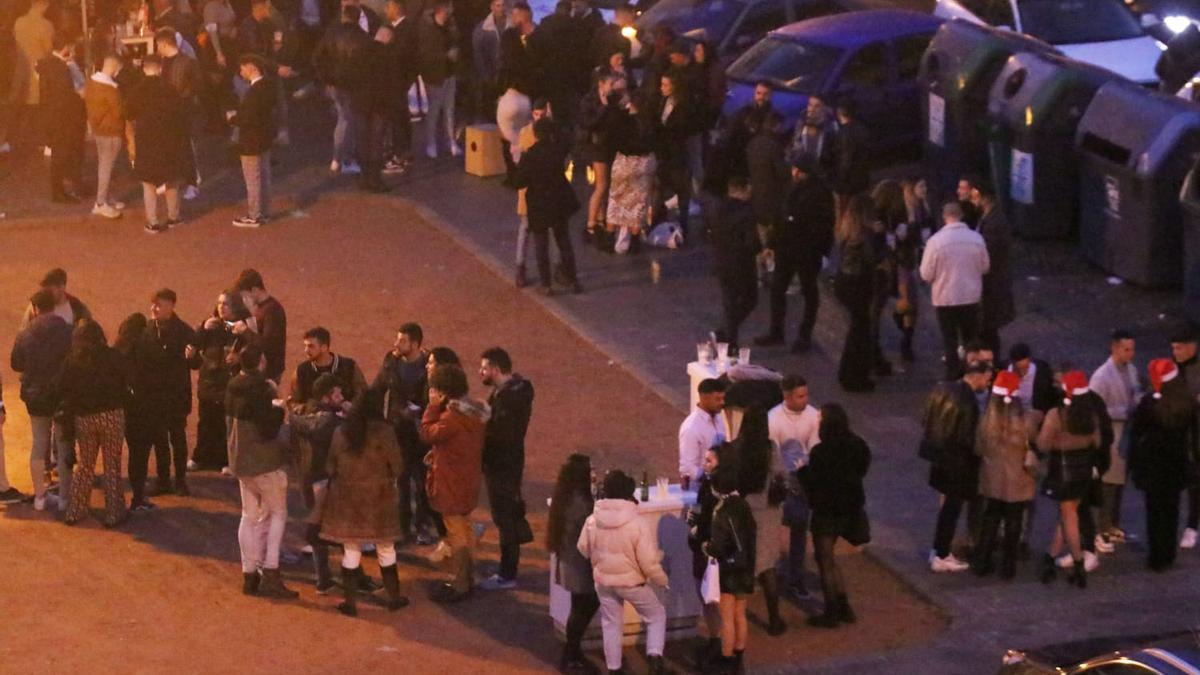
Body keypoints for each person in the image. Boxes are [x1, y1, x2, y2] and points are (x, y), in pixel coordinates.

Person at [320, 387, 410, 615]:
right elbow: (398, 466)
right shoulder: (386, 432)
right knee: (386, 549)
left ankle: (350, 603)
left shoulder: (342, 431)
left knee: (351, 550)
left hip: (347, 500)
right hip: (380, 499)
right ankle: (393, 597)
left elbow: (330, 466)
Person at [577, 470, 669, 675]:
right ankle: (654, 660)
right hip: (632, 584)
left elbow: (583, 548)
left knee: (611, 624)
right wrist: (662, 580)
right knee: (656, 615)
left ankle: (614, 669)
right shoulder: (638, 523)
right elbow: (648, 563)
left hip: (603, 582)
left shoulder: (592, 520)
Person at [226, 344, 297, 599]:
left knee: (248, 515)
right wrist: (278, 407)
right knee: (278, 513)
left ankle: (249, 574)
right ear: (260, 362)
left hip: (242, 462)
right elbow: (269, 429)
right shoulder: (263, 389)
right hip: (265, 464)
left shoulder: (233, 385)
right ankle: (271, 571)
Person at [420, 363, 491, 602]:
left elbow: (427, 433)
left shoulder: (451, 418)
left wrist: (431, 407)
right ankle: (468, 578)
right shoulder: (475, 413)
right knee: (466, 529)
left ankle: (461, 584)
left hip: (451, 482)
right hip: (468, 479)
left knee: (456, 532)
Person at [799, 403, 871, 628]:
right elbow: (862, 470)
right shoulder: (859, 445)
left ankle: (832, 610)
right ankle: (844, 606)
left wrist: (802, 471)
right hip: (849, 508)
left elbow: (814, 481)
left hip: (827, 512)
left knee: (825, 559)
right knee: (830, 561)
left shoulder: (821, 451)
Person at [755, 157, 834, 353]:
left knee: (808, 290)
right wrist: (772, 243)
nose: (794, 173)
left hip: (806, 250)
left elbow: (824, 224)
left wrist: (820, 249)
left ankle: (804, 335)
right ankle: (777, 331)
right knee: (778, 288)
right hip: (788, 248)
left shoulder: (819, 193)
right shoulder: (793, 189)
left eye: (798, 170)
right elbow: (781, 216)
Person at [921, 360, 992, 572]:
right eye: (987, 378)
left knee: (947, 509)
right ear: (978, 376)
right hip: (957, 463)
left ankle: (939, 550)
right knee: (952, 509)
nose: (987, 384)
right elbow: (968, 437)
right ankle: (942, 554)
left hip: (939, 458)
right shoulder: (968, 400)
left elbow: (927, 418)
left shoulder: (943, 388)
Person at [57, 319, 128, 527]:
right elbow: (125, 381)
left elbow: (62, 388)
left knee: (85, 465)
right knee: (112, 466)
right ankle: (114, 514)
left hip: (84, 418)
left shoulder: (72, 361)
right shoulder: (113, 356)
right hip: (111, 415)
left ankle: (75, 511)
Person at [1130, 359, 1198, 571]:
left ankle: (1156, 556)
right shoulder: (1188, 401)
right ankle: (1169, 552)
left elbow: (1137, 432)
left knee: (1154, 511)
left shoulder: (1150, 402)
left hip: (1153, 464)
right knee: (1172, 508)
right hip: (1177, 463)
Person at [1037, 371, 1101, 589]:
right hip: (1083, 472)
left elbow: (1043, 444)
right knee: (1067, 515)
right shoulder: (1091, 416)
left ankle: (1078, 564)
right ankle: (1049, 558)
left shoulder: (1057, 415)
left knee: (1069, 518)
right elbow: (1098, 442)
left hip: (1062, 472)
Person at [478, 347, 534, 590]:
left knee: (505, 518)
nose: (481, 371)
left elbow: (503, 434)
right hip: (506, 462)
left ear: (496, 369)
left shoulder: (509, 399)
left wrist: (484, 422)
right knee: (506, 515)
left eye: (484, 367)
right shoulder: (509, 392)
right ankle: (506, 568)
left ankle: (507, 574)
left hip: (503, 464)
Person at [971, 370, 1036, 579]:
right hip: (1018, 478)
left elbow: (978, 448)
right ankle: (1009, 566)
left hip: (992, 477)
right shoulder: (1026, 420)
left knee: (990, 516)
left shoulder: (986, 420)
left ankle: (982, 561)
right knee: (1014, 520)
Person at [11, 289, 73, 511]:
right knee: (65, 445)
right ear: (53, 306)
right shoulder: (67, 331)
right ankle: (65, 498)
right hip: (61, 395)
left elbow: (16, 364)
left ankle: (39, 497)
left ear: (35, 308)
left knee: (39, 444)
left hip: (35, 396)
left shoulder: (25, 332)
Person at [373, 323, 435, 544]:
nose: (396, 344)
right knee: (400, 478)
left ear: (415, 344)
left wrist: (418, 410)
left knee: (422, 481)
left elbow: (436, 397)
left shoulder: (430, 365)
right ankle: (402, 526)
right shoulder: (391, 361)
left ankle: (421, 525)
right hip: (398, 430)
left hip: (421, 432)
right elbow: (379, 388)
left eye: (402, 341)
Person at [919, 202, 990, 379]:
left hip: (945, 298)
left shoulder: (935, 242)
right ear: (961, 216)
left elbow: (926, 274)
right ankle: (971, 372)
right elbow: (985, 267)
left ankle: (952, 373)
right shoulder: (976, 239)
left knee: (949, 339)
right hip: (971, 296)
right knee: (969, 339)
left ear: (944, 217)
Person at [187, 291, 256, 472]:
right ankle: (201, 457)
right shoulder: (210, 326)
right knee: (206, 423)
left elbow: (255, 350)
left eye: (226, 304)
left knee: (226, 424)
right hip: (209, 382)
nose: (221, 307)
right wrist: (202, 328)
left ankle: (227, 460)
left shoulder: (242, 327)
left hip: (230, 384)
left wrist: (239, 357)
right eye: (219, 303)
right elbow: (193, 347)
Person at [512, 117, 582, 295]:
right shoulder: (557, 151)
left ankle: (546, 284)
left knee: (541, 244)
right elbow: (567, 141)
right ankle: (572, 279)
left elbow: (519, 181)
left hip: (539, 204)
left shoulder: (530, 155)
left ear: (535, 135)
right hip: (559, 201)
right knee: (564, 241)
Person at [1089, 329, 1143, 550]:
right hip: (1111, 435)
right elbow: (1095, 409)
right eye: (1126, 349)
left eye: (1132, 349)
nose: (1130, 354)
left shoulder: (1131, 370)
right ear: (1114, 348)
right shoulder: (1101, 376)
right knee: (1108, 484)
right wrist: (1125, 410)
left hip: (1126, 434)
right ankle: (1101, 529)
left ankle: (1112, 525)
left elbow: (1137, 393)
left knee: (1120, 483)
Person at [767, 375, 821, 597]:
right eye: (800, 396)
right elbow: (772, 454)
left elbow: (816, 447)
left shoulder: (813, 415)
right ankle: (769, 572)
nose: (805, 399)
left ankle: (796, 577)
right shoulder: (773, 419)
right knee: (772, 528)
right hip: (781, 481)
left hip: (804, 481)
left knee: (800, 528)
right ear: (786, 396)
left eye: (806, 394)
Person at [125, 54, 191, 234]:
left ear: (144, 68)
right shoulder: (170, 89)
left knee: (148, 182)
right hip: (169, 139)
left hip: (146, 140)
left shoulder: (137, 90)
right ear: (160, 68)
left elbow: (129, 115)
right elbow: (181, 114)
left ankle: (152, 221)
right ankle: (173, 216)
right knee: (172, 179)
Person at [547, 454, 598, 672]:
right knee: (585, 606)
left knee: (579, 607)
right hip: (579, 564)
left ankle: (573, 652)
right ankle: (570, 652)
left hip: (569, 560)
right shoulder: (581, 502)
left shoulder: (565, 495)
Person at [142, 289, 196, 496]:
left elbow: (197, 363)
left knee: (178, 438)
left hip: (175, 396)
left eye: (159, 305)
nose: (154, 309)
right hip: (155, 396)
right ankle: (163, 479)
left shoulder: (184, 332)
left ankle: (181, 479)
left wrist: (191, 357)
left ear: (172, 306)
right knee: (160, 439)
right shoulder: (147, 328)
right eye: (153, 304)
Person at [704, 467, 755, 671]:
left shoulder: (721, 511)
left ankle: (726, 658)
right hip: (745, 568)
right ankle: (739, 655)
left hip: (729, 570)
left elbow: (717, 545)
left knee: (726, 617)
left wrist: (705, 547)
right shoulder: (744, 506)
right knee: (740, 614)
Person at [313, 5, 370, 175]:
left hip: (334, 84)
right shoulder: (362, 38)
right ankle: (342, 159)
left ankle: (338, 159)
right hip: (352, 86)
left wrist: (327, 79)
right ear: (358, 18)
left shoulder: (332, 34)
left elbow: (317, 57)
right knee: (348, 121)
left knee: (343, 119)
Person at [834, 195, 879, 392]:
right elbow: (871, 260)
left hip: (845, 283)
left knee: (857, 328)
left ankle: (850, 373)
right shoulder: (865, 236)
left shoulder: (847, 233)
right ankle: (854, 376)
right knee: (860, 331)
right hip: (859, 285)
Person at [710, 176, 760, 349]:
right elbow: (752, 242)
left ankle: (728, 341)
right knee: (750, 298)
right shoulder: (747, 211)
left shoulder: (718, 208)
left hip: (722, 261)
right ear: (744, 189)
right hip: (742, 263)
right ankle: (727, 338)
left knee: (729, 302)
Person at [228, 54, 277, 227]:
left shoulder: (254, 91)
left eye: (243, 67)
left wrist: (233, 118)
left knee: (252, 178)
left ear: (252, 67)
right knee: (264, 176)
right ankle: (265, 211)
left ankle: (254, 214)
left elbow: (247, 117)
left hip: (251, 139)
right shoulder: (269, 86)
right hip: (265, 137)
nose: (241, 71)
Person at [605, 90, 656, 254]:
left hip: (623, 162)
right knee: (638, 202)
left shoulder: (621, 119)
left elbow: (613, 139)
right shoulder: (650, 120)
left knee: (616, 200)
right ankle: (634, 242)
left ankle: (610, 236)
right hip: (643, 162)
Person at [115, 313, 155, 511]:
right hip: (143, 411)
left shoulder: (117, 352)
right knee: (139, 456)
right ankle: (138, 497)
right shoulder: (146, 350)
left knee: (117, 454)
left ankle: (116, 499)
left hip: (122, 410)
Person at [38, 36, 86, 203]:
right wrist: (78, 96)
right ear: (65, 47)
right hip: (62, 118)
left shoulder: (47, 64)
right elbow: (64, 95)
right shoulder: (59, 67)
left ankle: (59, 190)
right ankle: (59, 193)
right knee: (61, 155)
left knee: (59, 154)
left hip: (53, 117)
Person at [510, 97, 549, 286]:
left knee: (535, 230)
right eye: (536, 114)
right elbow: (517, 158)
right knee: (526, 229)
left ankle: (549, 267)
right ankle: (520, 267)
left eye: (542, 114)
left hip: (540, 189)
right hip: (531, 190)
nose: (539, 118)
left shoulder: (549, 133)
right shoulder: (525, 132)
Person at [83, 52, 126, 219]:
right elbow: (118, 112)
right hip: (112, 131)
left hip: (98, 130)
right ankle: (101, 203)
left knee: (104, 164)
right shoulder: (111, 89)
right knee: (107, 167)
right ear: (114, 68)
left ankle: (106, 197)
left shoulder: (91, 82)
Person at [654, 70, 696, 238]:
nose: (661, 88)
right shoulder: (663, 101)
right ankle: (660, 220)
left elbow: (681, 128)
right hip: (663, 152)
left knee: (681, 189)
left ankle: (683, 224)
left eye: (665, 85)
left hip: (677, 153)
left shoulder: (685, 106)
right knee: (661, 188)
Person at [1169, 323, 1200, 550]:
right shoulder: (1171, 368)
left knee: (1194, 481)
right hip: (1175, 432)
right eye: (1174, 348)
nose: (1176, 353)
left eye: (1179, 348)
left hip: (1195, 434)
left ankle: (1191, 525)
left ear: (1192, 347)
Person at [419, 1, 461, 158]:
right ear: (440, 9)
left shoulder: (450, 26)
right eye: (448, 8)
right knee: (434, 111)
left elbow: (456, 42)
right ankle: (431, 143)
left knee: (450, 109)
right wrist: (445, 56)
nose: (450, 11)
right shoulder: (428, 29)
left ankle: (451, 141)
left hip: (450, 73)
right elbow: (426, 55)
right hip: (435, 76)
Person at [976, 183, 1014, 354]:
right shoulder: (991, 218)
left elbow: (990, 251)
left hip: (992, 281)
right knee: (988, 328)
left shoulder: (995, 221)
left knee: (988, 328)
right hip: (992, 281)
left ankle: (993, 361)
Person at [288, 326, 368, 408]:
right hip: (313, 419)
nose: (306, 350)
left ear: (324, 348)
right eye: (305, 346)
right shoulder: (301, 371)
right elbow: (293, 403)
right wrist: (310, 409)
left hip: (346, 418)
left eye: (311, 346)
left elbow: (362, 393)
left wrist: (351, 407)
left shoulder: (349, 366)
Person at [233, 269, 287, 384]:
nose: (244, 300)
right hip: (260, 370)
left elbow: (268, 345)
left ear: (255, 290)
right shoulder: (259, 309)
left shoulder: (272, 310)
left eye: (245, 296)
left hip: (268, 373)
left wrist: (244, 330)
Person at [382, 0, 417, 174]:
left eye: (388, 6)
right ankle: (404, 154)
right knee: (401, 119)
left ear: (396, 8)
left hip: (396, 82)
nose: (385, 10)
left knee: (398, 120)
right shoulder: (404, 29)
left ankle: (399, 157)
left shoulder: (401, 31)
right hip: (399, 82)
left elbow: (400, 59)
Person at [680, 378, 726, 490]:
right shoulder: (691, 428)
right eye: (717, 399)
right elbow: (688, 468)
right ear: (704, 398)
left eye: (723, 398)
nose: (722, 403)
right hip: (700, 491)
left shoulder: (719, 418)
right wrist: (711, 478)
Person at [18, 268, 92, 331]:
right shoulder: (35, 306)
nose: (46, 294)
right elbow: (23, 332)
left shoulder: (77, 307)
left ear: (61, 287)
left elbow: (86, 335)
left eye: (50, 290)